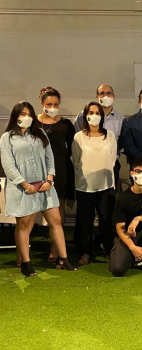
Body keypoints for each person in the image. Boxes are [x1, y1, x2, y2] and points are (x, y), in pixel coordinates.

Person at [0, 102, 77, 276]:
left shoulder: (40, 133)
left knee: (55, 220)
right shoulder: (7, 138)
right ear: (15, 116)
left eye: (29, 114)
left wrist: (49, 179)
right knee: (24, 225)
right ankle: (26, 262)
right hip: (22, 188)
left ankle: (63, 258)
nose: (26, 117)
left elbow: (50, 158)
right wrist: (25, 185)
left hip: (44, 185)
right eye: (22, 114)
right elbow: (8, 165)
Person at [72, 101, 117, 265]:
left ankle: (109, 250)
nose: (94, 116)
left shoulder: (109, 135)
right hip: (85, 186)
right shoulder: (78, 137)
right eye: (91, 113)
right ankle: (86, 252)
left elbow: (113, 159)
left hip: (106, 185)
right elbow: (76, 161)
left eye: (98, 113)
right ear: (85, 116)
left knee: (106, 220)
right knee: (85, 221)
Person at [36, 87, 76, 262]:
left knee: (58, 209)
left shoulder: (66, 124)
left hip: (61, 170)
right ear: (42, 104)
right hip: (37, 171)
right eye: (49, 104)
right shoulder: (33, 123)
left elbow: (73, 149)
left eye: (56, 104)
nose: (52, 107)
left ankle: (55, 247)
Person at [74, 84, 125, 185]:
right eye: (102, 93)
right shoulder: (83, 116)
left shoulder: (121, 120)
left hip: (110, 165)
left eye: (108, 93)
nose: (105, 96)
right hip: (87, 165)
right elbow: (76, 141)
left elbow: (121, 143)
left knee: (108, 193)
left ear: (113, 96)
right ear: (97, 96)